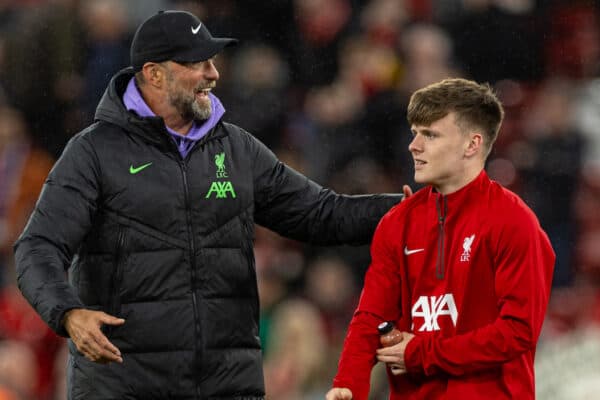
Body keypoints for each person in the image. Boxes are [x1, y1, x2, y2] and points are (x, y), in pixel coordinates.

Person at [13, 10, 408, 400]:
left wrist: (416, 207)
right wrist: (68, 313)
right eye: (197, 62)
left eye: (212, 60)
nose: (214, 73)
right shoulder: (93, 152)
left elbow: (323, 214)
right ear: (154, 74)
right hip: (126, 386)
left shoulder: (237, 148)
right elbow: (38, 246)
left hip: (227, 386)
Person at [326, 78, 555, 400]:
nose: (414, 145)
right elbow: (371, 317)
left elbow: (517, 332)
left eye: (430, 134)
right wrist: (348, 383)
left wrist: (423, 353)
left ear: (472, 144)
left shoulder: (514, 222)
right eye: (414, 133)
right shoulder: (397, 222)